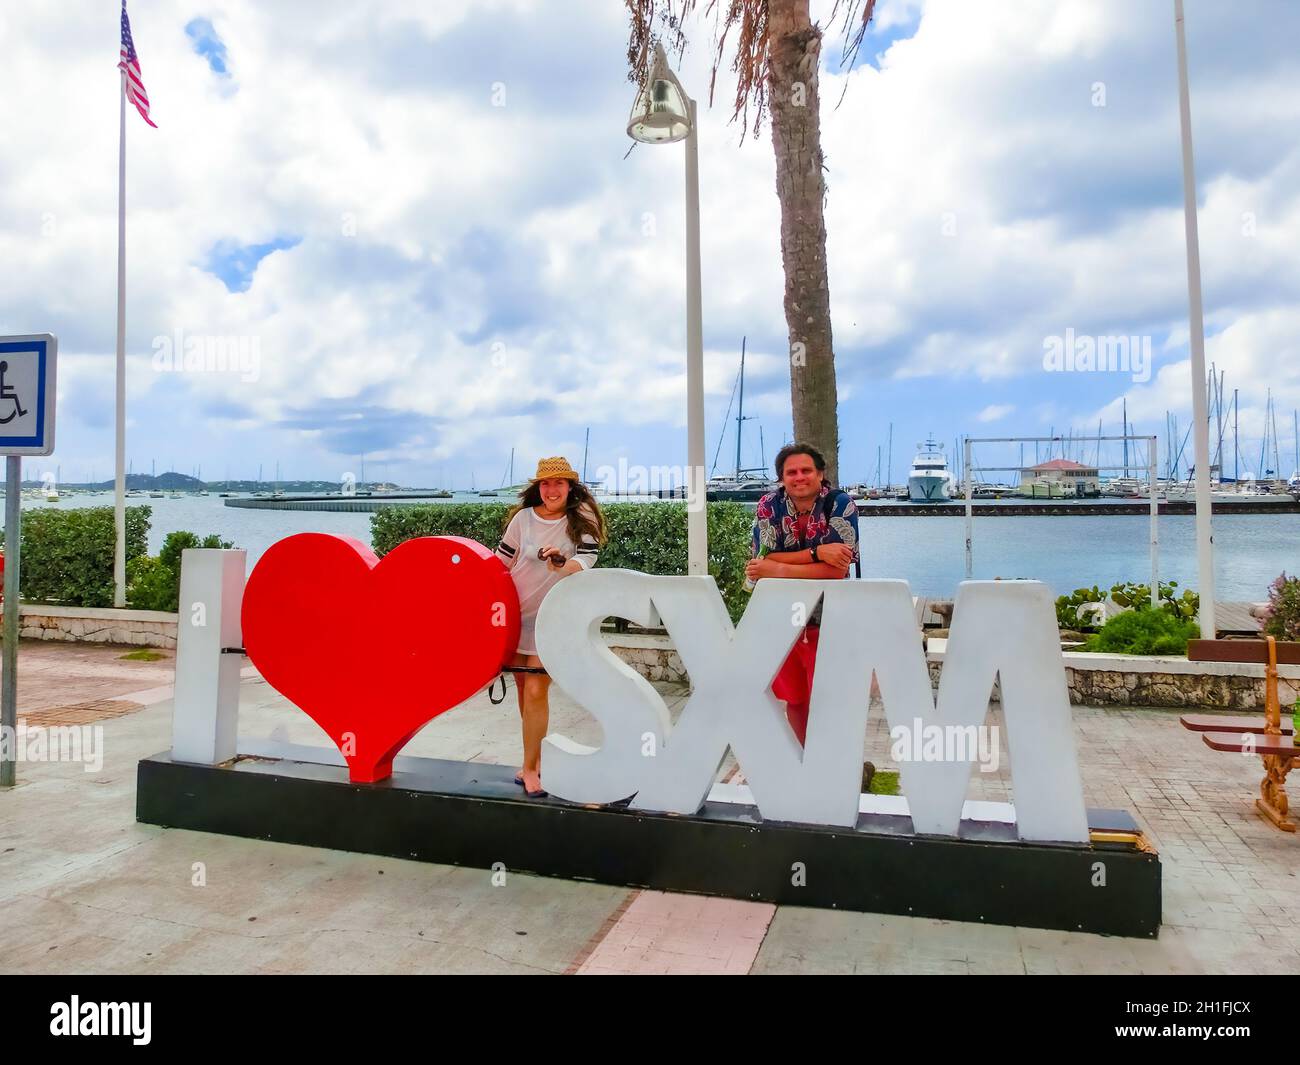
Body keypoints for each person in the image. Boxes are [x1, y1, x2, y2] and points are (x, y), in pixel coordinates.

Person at [494, 456, 607, 797]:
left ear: (570, 487)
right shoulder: (522, 520)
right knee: (522, 691)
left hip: (553, 619)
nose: (552, 489)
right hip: (516, 616)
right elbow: (500, 563)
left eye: (559, 482)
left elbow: (586, 560)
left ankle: (530, 769)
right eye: (545, 483)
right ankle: (536, 759)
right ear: (537, 487)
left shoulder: (581, 517)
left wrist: (561, 562)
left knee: (535, 690)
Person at [745, 442, 860, 746]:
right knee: (795, 697)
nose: (799, 477)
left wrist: (779, 568)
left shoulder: (840, 504)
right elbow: (760, 562)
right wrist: (817, 552)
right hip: (783, 616)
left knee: (829, 697)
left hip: (830, 616)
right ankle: (803, 757)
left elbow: (837, 571)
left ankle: (831, 761)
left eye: (806, 470)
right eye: (791, 472)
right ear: (782, 478)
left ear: (821, 474)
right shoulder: (770, 505)